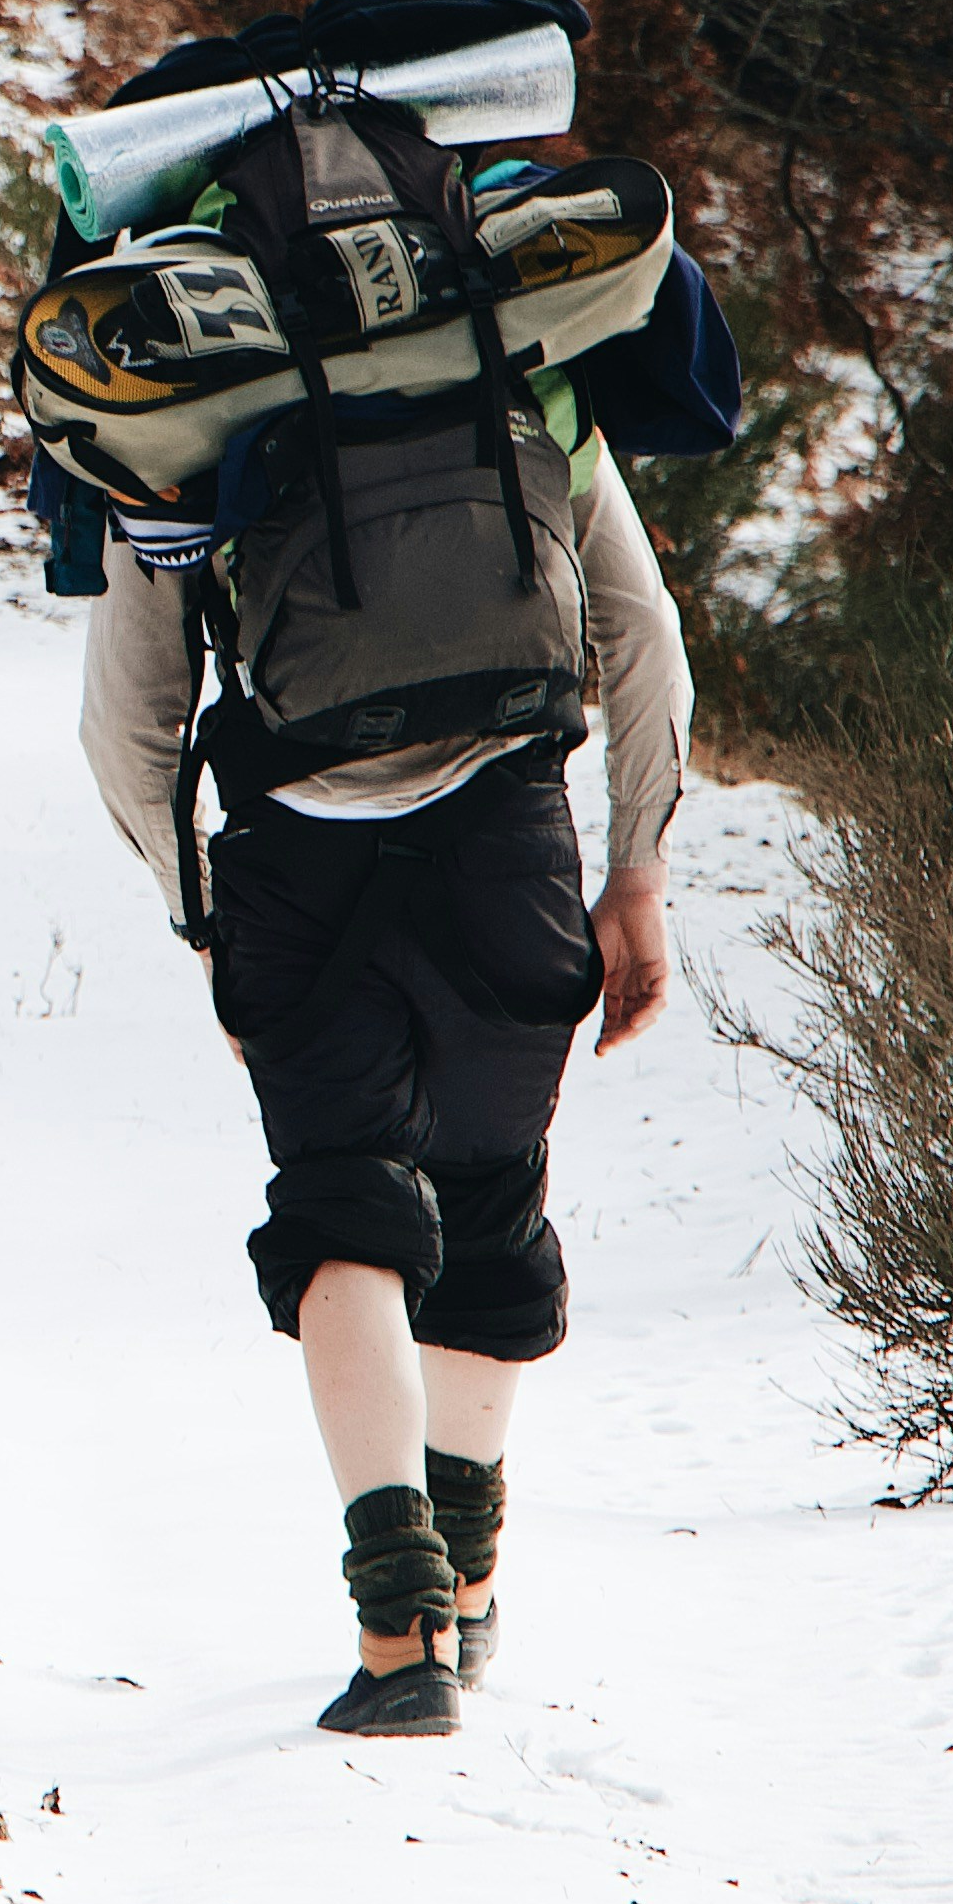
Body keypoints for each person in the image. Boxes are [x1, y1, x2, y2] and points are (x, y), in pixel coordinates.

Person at [77, 361, 691, 1737]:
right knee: (485, 1191)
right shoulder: (509, 352)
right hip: (509, 824)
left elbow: (127, 718)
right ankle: (467, 1586)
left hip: (299, 851)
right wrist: (636, 867)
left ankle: (397, 1626)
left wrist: (203, 918)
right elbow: (643, 631)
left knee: (345, 1202)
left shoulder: (191, 378)